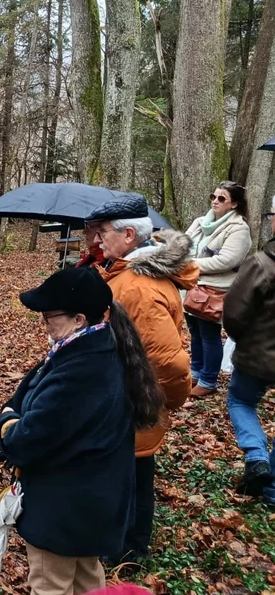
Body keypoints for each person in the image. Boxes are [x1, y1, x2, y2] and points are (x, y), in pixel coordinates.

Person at [0, 267, 163, 595]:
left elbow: (22, 441)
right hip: (93, 505)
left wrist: (5, 421)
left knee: (51, 584)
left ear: (79, 319)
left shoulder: (79, 372)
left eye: (49, 317)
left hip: (64, 509)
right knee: (88, 579)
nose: (43, 324)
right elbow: (30, 392)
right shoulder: (100, 349)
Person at [88, 193, 198, 565]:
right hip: (124, 400)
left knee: (131, 480)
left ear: (129, 235)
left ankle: (126, 553)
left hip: (130, 405)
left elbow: (171, 364)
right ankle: (124, 546)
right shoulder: (126, 275)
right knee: (131, 475)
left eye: (103, 232)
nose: (98, 239)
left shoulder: (138, 287)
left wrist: (153, 402)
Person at [223, 196, 275, 500]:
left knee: (241, 402)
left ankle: (256, 457)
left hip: (257, 357)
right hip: (258, 353)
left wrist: (242, 339)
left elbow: (234, 313)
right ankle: (270, 489)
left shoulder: (263, 264)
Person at [184, 181, 252, 397]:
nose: (215, 201)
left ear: (234, 204)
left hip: (215, 289)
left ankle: (208, 380)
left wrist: (191, 265)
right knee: (194, 330)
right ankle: (195, 372)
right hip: (191, 285)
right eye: (213, 196)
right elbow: (183, 244)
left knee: (209, 333)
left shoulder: (239, 228)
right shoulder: (200, 223)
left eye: (222, 198)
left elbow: (227, 261)